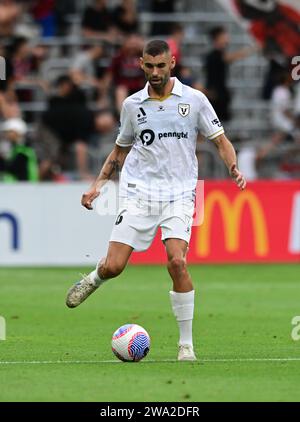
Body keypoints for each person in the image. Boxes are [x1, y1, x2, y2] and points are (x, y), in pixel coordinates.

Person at [65, 40, 246, 361]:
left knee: (177, 261)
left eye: (161, 66)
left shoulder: (194, 100)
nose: (155, 72)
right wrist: (97, 186)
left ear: (172, 63)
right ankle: (95, 277)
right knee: (114, 266)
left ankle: (186, 344)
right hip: (139, 194)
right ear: (141, 65)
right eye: (149, 66)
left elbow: (221, 140)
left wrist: (232, 165)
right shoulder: (133, 105)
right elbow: (120, 150)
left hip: (180, 194)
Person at [205, 26, 257, 122]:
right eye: (224, 36)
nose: (227, 38)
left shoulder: (216, 55)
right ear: (218, 37)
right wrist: (252, 49)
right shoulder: (214, 56)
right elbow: (230, 57)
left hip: (220, 94)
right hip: (215, 95)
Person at [0, 117, 38, 181]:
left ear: (18, 132)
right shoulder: (16, 148)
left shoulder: (25, 150)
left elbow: (13, 169)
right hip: (19, 187)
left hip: (25, 188)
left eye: (9, 131)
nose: (7, 134)